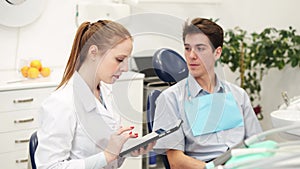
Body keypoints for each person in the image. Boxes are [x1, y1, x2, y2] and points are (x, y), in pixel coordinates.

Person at [35, 20, 155, 169]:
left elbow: (107, 158)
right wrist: (107, 156)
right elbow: (49, 167)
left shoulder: (106, 93)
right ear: (93, 52)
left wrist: (125, 150)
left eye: (126, 61)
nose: (125, 68)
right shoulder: (61, 103)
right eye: (119, 60)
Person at [152, 18, 262, 169]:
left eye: (200, 48)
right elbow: (176, 161)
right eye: (187, 48)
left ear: (217, 52)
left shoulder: (238, 95)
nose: (191, 56)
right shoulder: (171, 99)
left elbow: (257, 143)